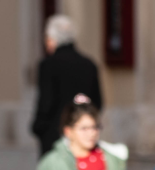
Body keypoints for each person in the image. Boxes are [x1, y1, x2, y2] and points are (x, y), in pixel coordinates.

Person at [31, 15, 102, 157]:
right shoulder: (89, 65)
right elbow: (98, 103)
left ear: (52, 39)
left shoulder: (48, 65)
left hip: (54, 137)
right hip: (83, 138)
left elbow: (46, 103)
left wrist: (38, 127)